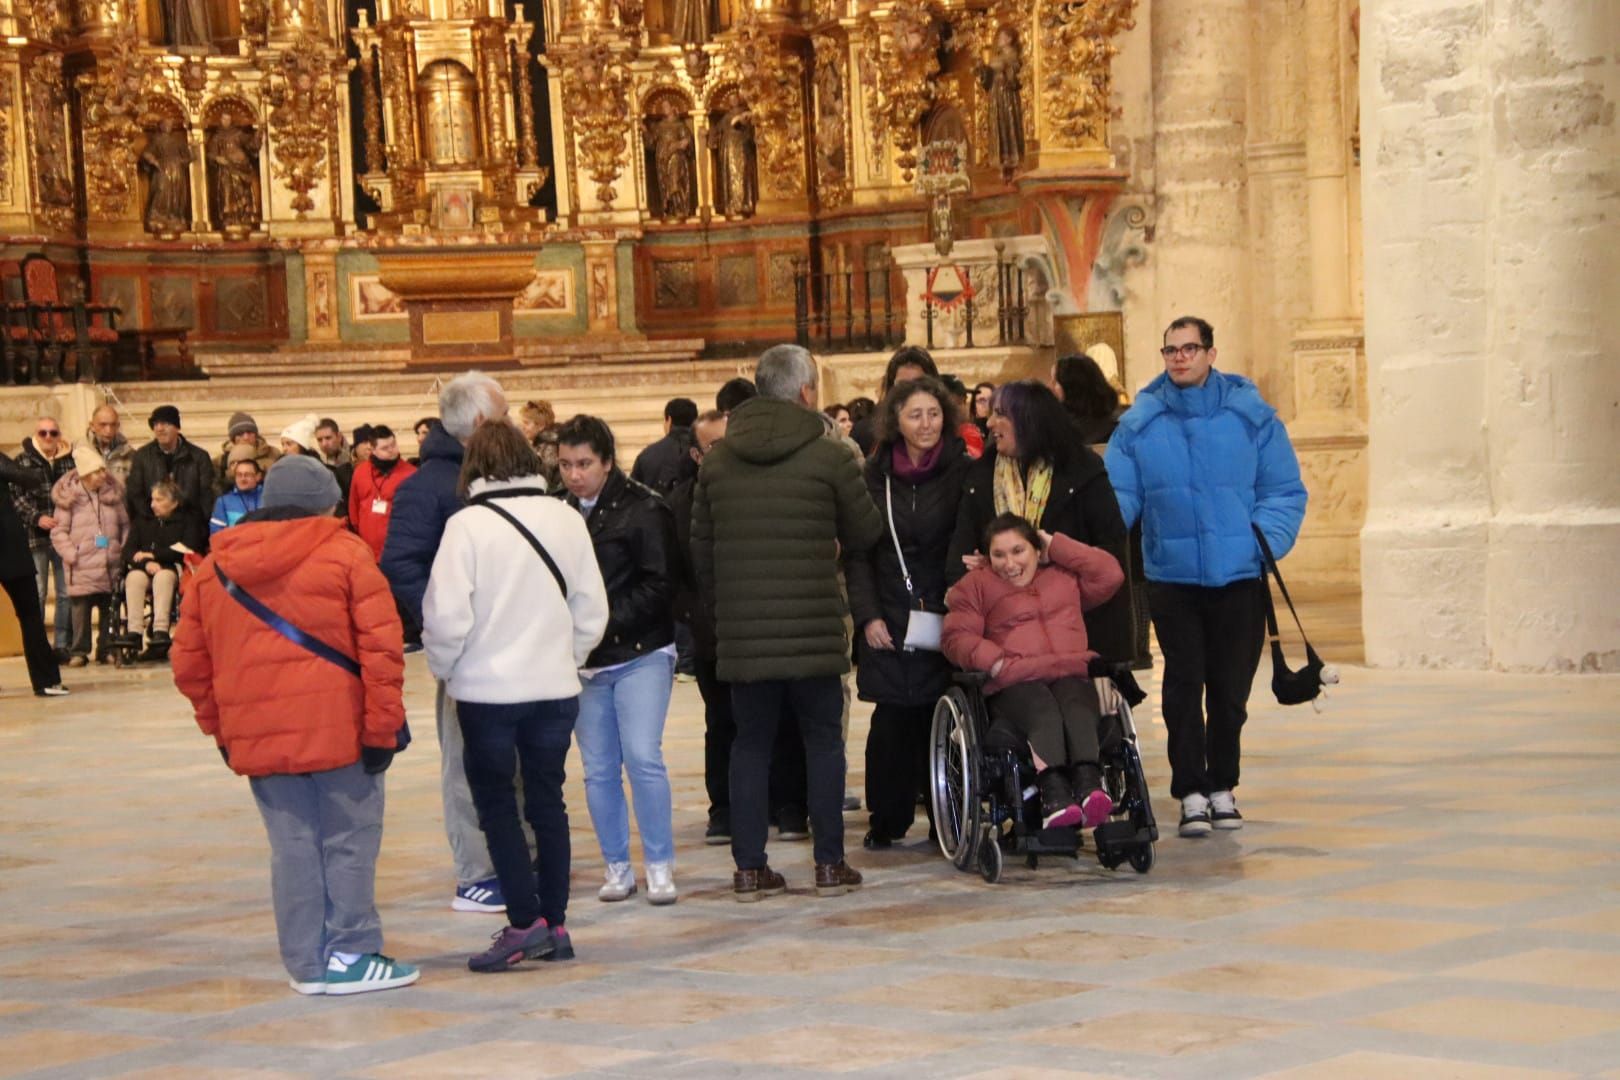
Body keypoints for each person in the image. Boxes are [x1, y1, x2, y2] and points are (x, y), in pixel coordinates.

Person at [171, 455, 418, 997]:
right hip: (342, 730)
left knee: (293, 848)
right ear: (324, 503)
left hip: (260, 738)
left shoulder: (213, 569)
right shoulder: (346, 553)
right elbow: (382, 649)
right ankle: (352, 951)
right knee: (350, 841)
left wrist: (222, 731)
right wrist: (381, 728)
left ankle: (306, 963)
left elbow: (189, 665)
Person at [692, 344, 884, 901]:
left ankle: (750, 869)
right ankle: (828, 865)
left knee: (749, 745)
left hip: (745, 635)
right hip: (816, 627)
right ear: (806, 393)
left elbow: (700, 550)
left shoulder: (719, 460)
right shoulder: (830, 457)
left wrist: (728, 605)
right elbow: (867, 531)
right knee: (822, 742)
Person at [1105, 315, 1307, 836]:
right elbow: (1121, 498)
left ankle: (1224, 786)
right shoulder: (1139, 425)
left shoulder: (1252, 418)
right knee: (1183, 683)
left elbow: (1283, 490)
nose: (1180, 357)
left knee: (1229, 692)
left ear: (1211, 354)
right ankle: (1190, 790)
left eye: (1190, 348)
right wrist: (1094, 534)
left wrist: (1262, 540)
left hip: (1239, 574)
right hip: (1172, 578)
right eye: (1171, 349)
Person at [425, 421, 609, 970]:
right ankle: (554, 923)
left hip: (487, 694)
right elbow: (592, 610)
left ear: (473, 466)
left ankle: (523, 924)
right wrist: (564, 659)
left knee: (499, 807)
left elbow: (446, 617)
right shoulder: (565, 518)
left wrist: (447, 668)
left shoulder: (468, 526)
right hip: (554, 690)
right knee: (549, 802)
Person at [380, 371, 521, 914]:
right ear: (482, 423)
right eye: (503, 417)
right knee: (466, 761)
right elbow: (401, 563)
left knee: (515, 760)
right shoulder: (428, 485)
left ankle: (517, 852)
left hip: (513, 645)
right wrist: (446, 624)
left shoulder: (501, 476)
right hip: (464, 651)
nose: (510, 426)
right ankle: (478, 872)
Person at [555, 415, 681, 905]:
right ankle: (617, 866)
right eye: (565, 464)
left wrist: (598, 623)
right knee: (598, 768)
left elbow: (661, 583)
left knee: (643, 757)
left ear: (608, 462)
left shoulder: (645, 509)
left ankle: (660, 864)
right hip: (584, 661)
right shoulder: (558, 511)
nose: (574, 474)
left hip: (640, 651)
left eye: (584, 463)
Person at [844, 377, 970, 848]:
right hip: (890, 611)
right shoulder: (873, 475)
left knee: (944, 716)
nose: (926, 424)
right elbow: (858, 553)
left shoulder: (963, 470)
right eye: (915, 414)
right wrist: (868, 615)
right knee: (892, 722)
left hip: (946, 608)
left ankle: (947, 815)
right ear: (895, 419)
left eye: (934, 414)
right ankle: (888, 818)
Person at [942, 514, 1125, 828]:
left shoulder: (1063, 576)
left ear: (1036, 549)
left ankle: (1089, 785)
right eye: (998, 554)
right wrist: (994, 660)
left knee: (1077, 704)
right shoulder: (976, 586)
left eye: (1018, 551)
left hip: (1069, 670)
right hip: (1016, 679)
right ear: (987, 556)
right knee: (1043, 709)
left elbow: (1110, 575)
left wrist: (1058, 546)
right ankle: (1053, 793)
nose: (1008, 563)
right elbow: (955, 636)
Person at [948, 380, 1132, 666]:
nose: (990, 421)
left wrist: (1053, 552)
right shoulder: (980, 477)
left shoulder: (1082, 471)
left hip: (1077, 629)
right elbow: (959, 561)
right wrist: (995, 564)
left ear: (1029, 420)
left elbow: (1110, 550)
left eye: (1001, 413)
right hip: (1008, 640)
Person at [668, 409, 735, 844]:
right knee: (722, 722)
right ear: (696, 454)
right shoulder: (677, 505)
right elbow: (672, 572)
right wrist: (694, 615)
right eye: (714, 447)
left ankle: (783, 802)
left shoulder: (757, 492)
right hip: (711, 631)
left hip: (759, 627)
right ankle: (724, 809)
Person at [49, 447, 128, 667]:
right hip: (81, 564)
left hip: (108, 563)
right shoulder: (70, 498)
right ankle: (80, 651)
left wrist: (118, 548)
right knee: (80, 613)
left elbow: (124, 525)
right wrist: (71, 554)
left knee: (107, 611)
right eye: (97, 471)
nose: (103, 475)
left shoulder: (112, 494)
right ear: (85, 474)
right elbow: (58, 531)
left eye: (103, 470)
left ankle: (106, 649)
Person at [0, 452, 68, 696]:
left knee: (30, 614)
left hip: (9, 546)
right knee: (29, 614)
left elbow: (30, 479)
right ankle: (47, 681)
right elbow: (30, 479)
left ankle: (46, 680)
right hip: (9, 545)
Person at [13, 415, 76, 659]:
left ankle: (62, 644)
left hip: (64, 535)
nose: (48, 437)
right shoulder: (22, 461)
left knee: (64, 592)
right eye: (43, 433)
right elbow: (16, 497)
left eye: (53, 432)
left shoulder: (70, 462)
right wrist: (37, 517)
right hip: (35, 536)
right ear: (35, 435)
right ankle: (37, 645)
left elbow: (79, 493)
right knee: (37, 592)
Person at [124, 479, 206, 662]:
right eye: (153, 500)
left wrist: (153, 555)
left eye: (159, 500)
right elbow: (128, 551)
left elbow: (188, 548)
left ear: (175, 502)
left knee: (163, 577)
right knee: (134, 578)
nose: (153, 504)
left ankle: (160, 631)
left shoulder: (187, 521)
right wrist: (146, 563)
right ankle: (134, 632)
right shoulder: (142, 521)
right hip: (143, 568)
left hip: (172, 568)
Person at [125, 405, 215, 553]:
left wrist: (201, 530)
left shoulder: (199, 457)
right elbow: (135, 495)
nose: (160, 428)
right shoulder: (142, 456)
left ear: (177, 427)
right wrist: (150, 522)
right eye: (156, 424)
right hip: (154, 529)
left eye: (165, 423)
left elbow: (206, 498)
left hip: (190, 530)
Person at [850, 346, 939, 456]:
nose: (909, 393)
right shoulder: (865, 433)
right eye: (902, 386)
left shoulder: (949, 442)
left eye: (918, 384)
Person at [348, 426, 415, 562]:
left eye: (393, 445)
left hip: (398, 551)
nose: (391, 451)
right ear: (372, 450)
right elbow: (353, 507)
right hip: (368, 551)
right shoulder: (360, 472)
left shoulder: (411, 474)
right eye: (385, 448)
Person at [630, 398, 699, 496]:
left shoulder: (647, 455)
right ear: (696, 422)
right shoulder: (704, 452)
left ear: (669, 420)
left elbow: (632, 495)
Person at [1054, 353, 1125, 446]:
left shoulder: (1066, 435)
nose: (1050, 386)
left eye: (1055, 382)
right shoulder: (1123, 421)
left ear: (1071, 388)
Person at [214, 411, 280, 491]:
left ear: (255, 434)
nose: (246, 437)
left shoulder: (272, 453)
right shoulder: (221, 460)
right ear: (233, 438)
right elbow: (216, 488)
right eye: (240, 434)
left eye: (249, 432)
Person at [210, 446, 265, 534]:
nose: (242, 479)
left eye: (247, 475)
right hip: (235, 546)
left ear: (258, 476)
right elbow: (217, 534)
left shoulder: (268, 498)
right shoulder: (224, 502)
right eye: (239, 475)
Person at [84, 405, 135, 488]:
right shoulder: (79, 451)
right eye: (103, 425)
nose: (108, 430)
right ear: (92, 426)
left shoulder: (129, 453)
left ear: (118, 426)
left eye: (113, 425)